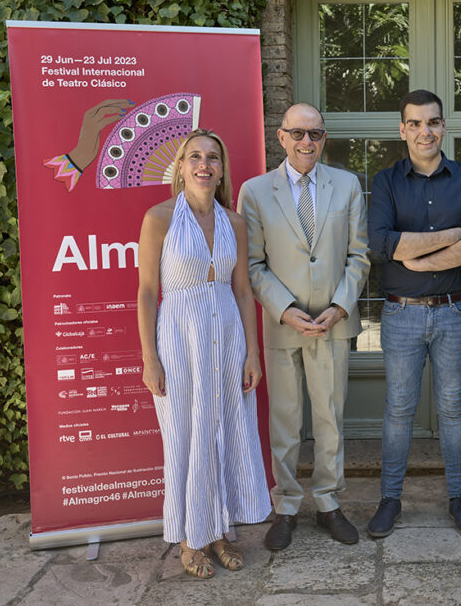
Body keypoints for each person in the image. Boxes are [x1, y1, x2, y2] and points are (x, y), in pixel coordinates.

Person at [137, 129, 271, 579]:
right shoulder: (158, 218)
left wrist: (253, 354)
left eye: (213, 157)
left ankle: (216, 532)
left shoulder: (234, 222)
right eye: (194, 156)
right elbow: (147, 292)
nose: (204, 164)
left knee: (224, 434)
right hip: (179, 341)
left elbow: (243, 291)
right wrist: (149, 358)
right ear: (180, 166)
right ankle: (191, 540)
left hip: (228, 339)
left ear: (222, 168)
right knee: (186, 437)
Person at [237, 103, 369, 550]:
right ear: (281, 137)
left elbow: (359, 256)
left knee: (330, 419)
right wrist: (285, 308)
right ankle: (288, 506)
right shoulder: (255, 191)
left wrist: (340, 306)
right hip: (283, 324)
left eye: (314, 134)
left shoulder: (347, 185)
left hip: (333, 323)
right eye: (298, 134)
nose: (306, 142)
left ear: (324, 138)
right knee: (286, 421)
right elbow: (252, 265)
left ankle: (329, 503)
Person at [366, 89, 461, 538]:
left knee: (454, 408)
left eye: (433, 122)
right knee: (399, 409)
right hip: (401, 314)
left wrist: (417, 257)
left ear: (444, 126)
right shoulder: (385, 181)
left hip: (455, 311)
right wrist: (449, 236)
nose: (426, 131)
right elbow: (382, 243)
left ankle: (459, 499)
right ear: (403, 130)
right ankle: (390, 500)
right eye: (416, 123)